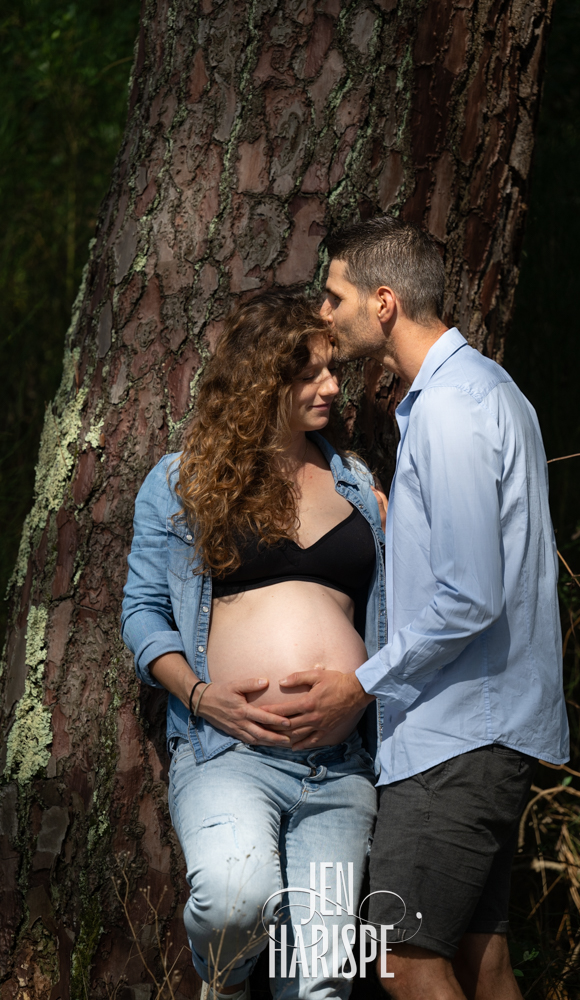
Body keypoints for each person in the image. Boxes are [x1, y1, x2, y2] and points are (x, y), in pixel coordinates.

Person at [276, 218, 570, 1000]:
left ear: (382, 303)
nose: (324, 312)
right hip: (478, 727)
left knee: (402, 960)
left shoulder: (451, 408)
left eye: (334, 296)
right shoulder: (478, 393)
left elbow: (470, 594)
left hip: (456, 733)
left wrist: (361, 684)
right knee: (481, 961)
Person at [120, 293, 387, 1000]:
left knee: (323, 980)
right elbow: (144, 614)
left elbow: (403, 619)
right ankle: (228, 984)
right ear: (260, 380)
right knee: (235, 903)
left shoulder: (357, 484)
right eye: (308, 374)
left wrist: (361, 687)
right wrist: (202, 697)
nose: (330, 387)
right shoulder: (182, 482)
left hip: (339, 766)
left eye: (331, 371)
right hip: (228, 755)